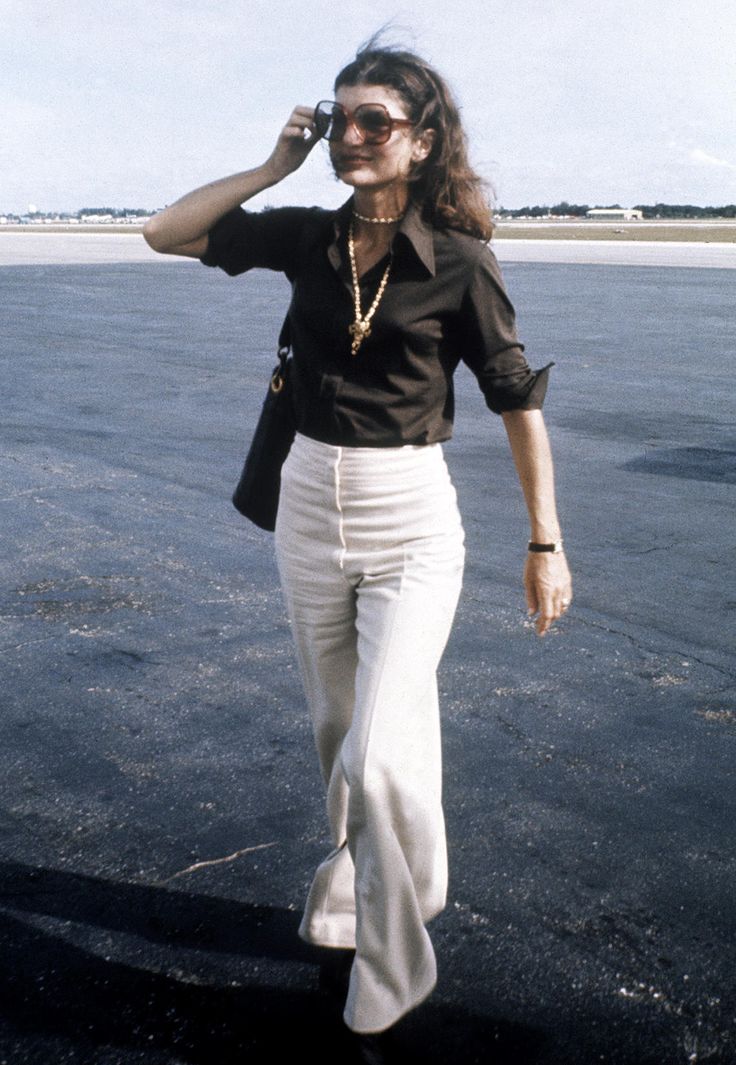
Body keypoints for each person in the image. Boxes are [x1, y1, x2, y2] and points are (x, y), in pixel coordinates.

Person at [144, 39, 572, 1060]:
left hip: (410, 520)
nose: (350, 136)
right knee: (342, 740)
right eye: (339, 119)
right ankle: (355, 892)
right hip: (306, 507)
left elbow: (517, 403)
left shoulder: (459, 263)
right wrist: (268, 166)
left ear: (422, 142)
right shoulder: (305, 238)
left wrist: (544, 542)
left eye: (372, 121)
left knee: (382, 752)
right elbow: (166, 231)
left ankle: (392, 966)